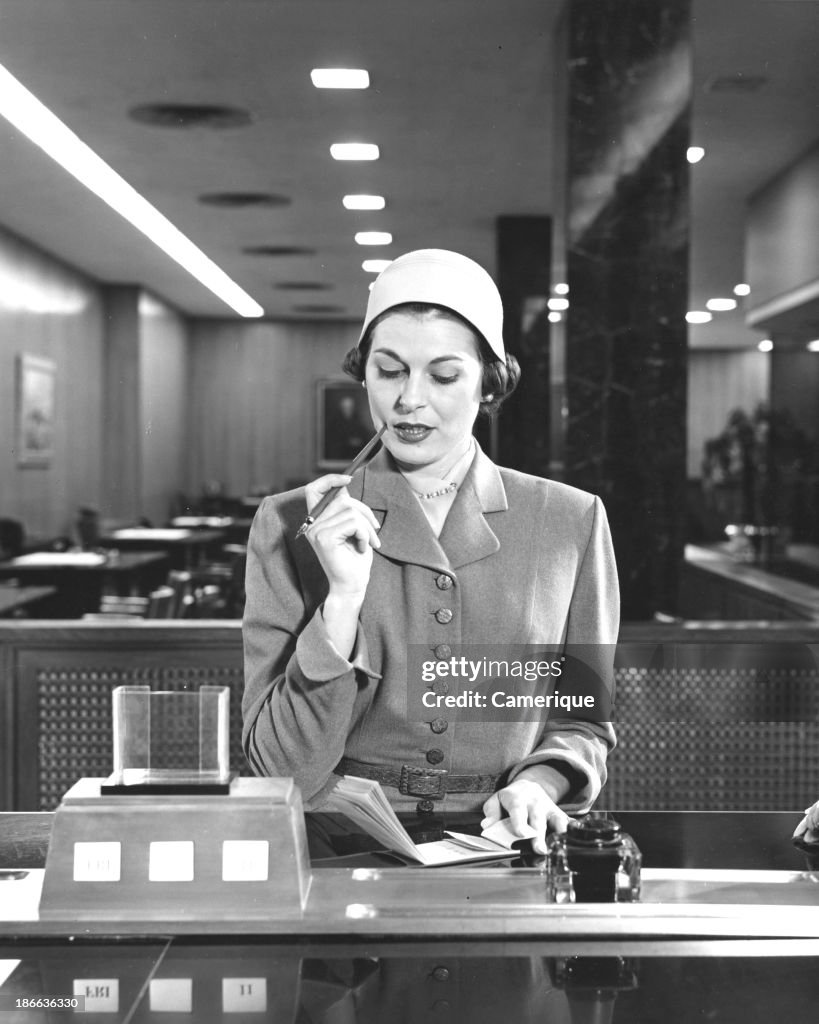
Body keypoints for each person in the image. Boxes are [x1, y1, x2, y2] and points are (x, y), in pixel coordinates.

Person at [242, 249, 619, 853]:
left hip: (506, 846)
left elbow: (579, 722)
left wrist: (539, 784)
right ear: (364, 374)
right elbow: (279, 770)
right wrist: (341, 601)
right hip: (331, 853)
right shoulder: (289, 522)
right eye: (389, 371)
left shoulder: (569, 520)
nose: (409, 399)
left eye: (443, 376)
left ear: (488, 384)